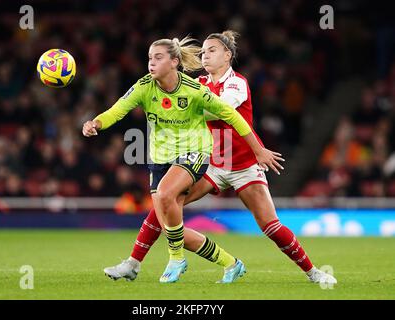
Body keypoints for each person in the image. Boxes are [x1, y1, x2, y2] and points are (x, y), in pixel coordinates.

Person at [103, 31, 337, 285]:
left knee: (270, 226)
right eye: (202, 52)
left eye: (211, 50)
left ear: (228, 55)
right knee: (165, 203)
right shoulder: (199, 84)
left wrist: (176, 109)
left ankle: (313, 272)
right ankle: (134, 263)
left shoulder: (237, 84)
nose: (205, 56)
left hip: (244, 165)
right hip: (212, 163)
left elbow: (218, 112)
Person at [83, 36, 284, 283]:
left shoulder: (194, 90)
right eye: (149, 58)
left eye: (158, 57)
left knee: (167, 195)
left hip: (195, 152)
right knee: (167, 218)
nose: (151, 63)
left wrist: (259, 149)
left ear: (174, 62)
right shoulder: (144, 86)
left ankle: (176, 259)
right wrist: (96, 123)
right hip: (160, 157)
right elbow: (118, 109)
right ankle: (229, 263)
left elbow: (233, 116)